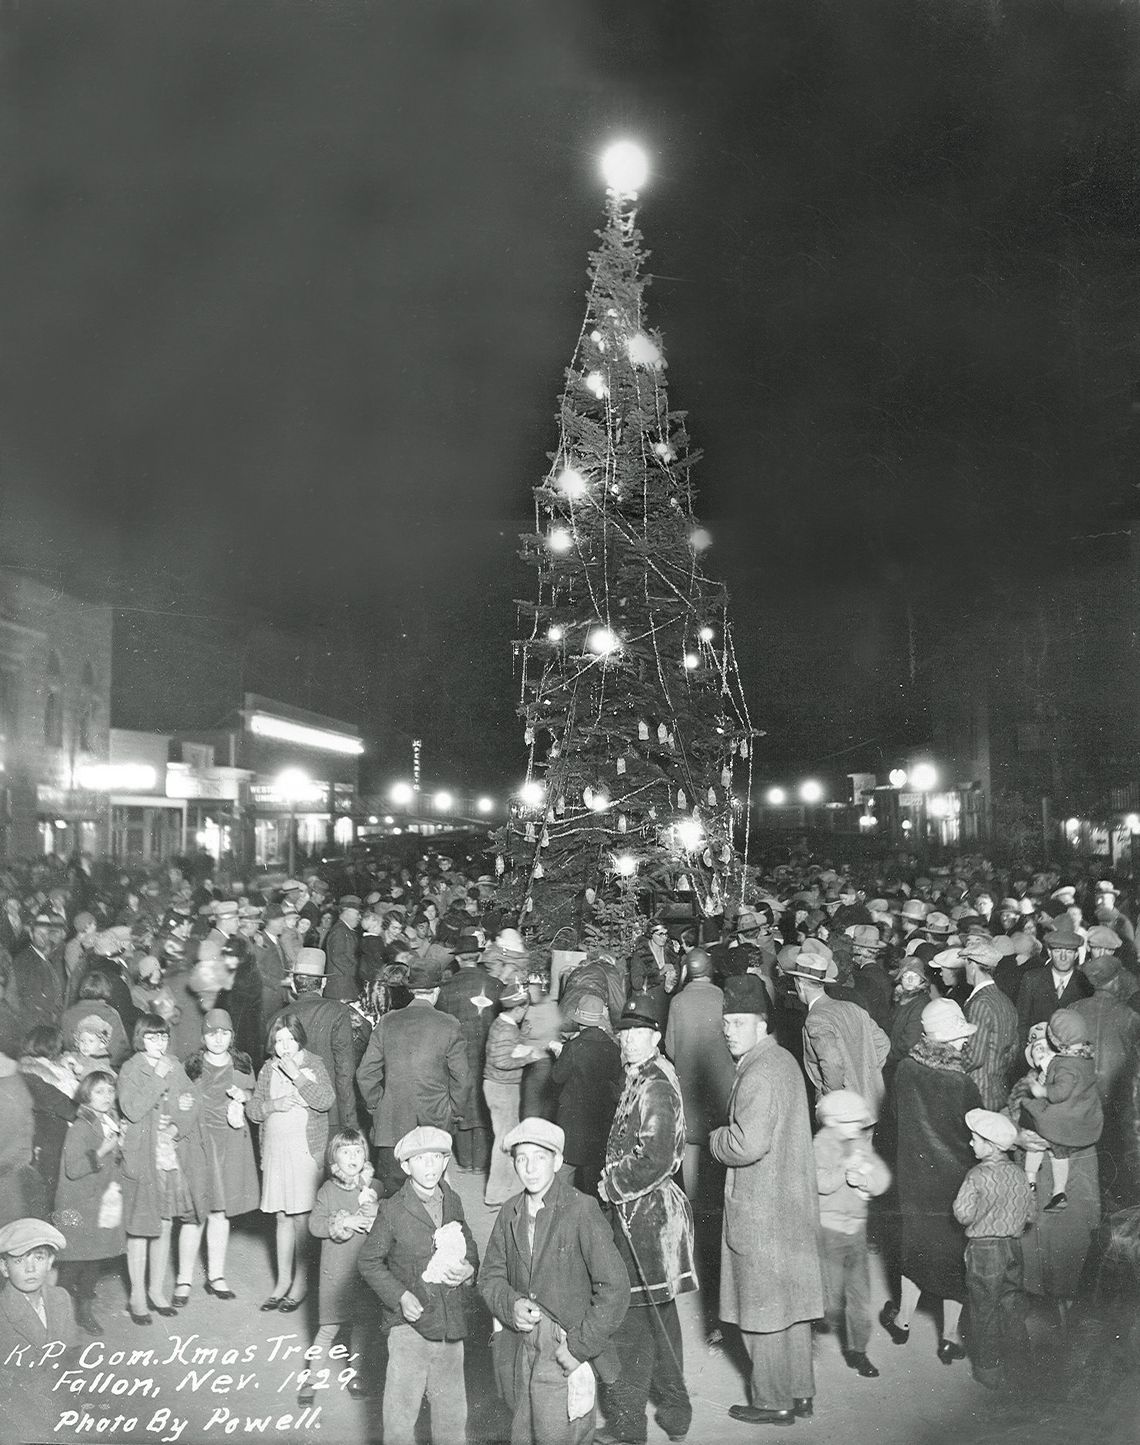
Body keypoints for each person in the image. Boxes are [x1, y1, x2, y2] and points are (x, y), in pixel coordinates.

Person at [710, 974, 824, 1426]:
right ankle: (800, 1392)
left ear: (762, 1024)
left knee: (762, 1310)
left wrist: (716, 1137)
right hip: (791, 1202)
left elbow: (746, 1144)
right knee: (793, 1305)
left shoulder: (757, 1073)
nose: (728, 1031)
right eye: (726, 1024)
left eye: (738, 1023)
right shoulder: (782, 1061)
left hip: (761, 1206)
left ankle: (772, 1400)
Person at [478, 1117, 630, 1445]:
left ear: (558, 1161)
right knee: (522, 1426)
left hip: (563, 1343)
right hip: (520, 1343)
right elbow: (489, 1276)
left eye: (540, 1157)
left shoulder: (581, 1210)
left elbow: (614, 1288)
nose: (530, 1167)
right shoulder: (509, 1212)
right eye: (521, 1158)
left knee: (558, 1430)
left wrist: (580, 1347)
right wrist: (510, 1304)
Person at [598, 996, 697, 1445]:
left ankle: (627, 1427)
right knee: (660, 1314)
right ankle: (676, 1409)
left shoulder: (654, 1083)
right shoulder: (645, 1074)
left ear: (656, 1037)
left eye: (638, 1032)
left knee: (631, 1322)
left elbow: (656, 1157)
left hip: (643, 1217)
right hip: (650, 1216)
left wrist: (610, 1185)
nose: (629, 1039)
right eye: (624, 1032)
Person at [358, 1125, 478, 1445]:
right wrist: (399, 1296)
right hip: (408, 1326)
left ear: (445, 1162)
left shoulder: (452, 1200)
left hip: (450, 1323)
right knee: (400, 1417)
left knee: (452, 1415)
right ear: (405, 1166)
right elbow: (368, 1261)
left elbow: (469, 1245)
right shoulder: (393, 1209)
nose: (430, 1166)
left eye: (436, 1158)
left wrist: (469, 1270)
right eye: (420, 1159)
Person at [881, 998, 982, 1363]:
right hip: (954, 1180)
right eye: (960, 1037)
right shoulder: (962, 1083)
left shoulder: (905, 1069)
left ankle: (903, 1321)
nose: (964, 1043)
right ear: (950, 1039)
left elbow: (893, 1115)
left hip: (912, 1175)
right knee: (955, 1257)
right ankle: (950, 1337)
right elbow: (974, 1135)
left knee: (914, 1246)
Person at [356, 948, 469, 1198]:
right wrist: (455, 1112)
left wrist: (377, 1106)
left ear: (409, 990)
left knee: (395, 1198)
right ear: (437, 991)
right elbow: (462, 1078)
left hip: (392, 1123)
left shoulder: (387, 1021)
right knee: (432, 1195)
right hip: (435, 1121)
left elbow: (366, 1073)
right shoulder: (449, 1024)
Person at [246, 1011, 335, 1313]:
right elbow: (253, 1110)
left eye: (290, 1039)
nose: (284, 1046)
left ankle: (300, 1283)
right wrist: (275, 1105)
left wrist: (297, 1075)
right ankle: (282, 1282)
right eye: (278, 1040)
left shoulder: (313, 1064)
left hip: (304, 1151)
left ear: (300, 1040)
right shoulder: (268, 1069)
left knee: (300, 1219)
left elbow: (325, 1101)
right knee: (282, 1216)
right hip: (274, 1150)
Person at [117, 1013, 199, 1323]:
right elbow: (132, 1109)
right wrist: (158, 1077)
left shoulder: (174, 1064)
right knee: (140, 1227)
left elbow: (191, 1099)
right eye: (152, 1037)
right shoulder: (131, 1068)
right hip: (141, 1156)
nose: (159, 1043)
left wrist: (176, 1128)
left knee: (164, 1222)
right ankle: (137, 1294)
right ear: (140, 1039)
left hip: (167, 1154)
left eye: (163, 1037)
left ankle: (156, 1289)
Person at [174, 1008, 258, 1305]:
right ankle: (183, 1279)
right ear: (203, 1036)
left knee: (220, 1212)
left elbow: (254, 1096)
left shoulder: (243, 1064)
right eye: (212, 1033)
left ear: (232, 1035)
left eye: (224, 1033)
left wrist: (245, 1098)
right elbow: (178, 1100)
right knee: (195, 1212)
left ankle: (216, 1276)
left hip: (231, 1142)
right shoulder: (192, 1066)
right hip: (199, 1142)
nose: (218, 1039)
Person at [951, 1108, 1035, 1391]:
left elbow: (962, 1213)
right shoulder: (1019, 1173)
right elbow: (1031, 1214)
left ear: (990, 1144)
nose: (971, 1144)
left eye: (975, 1139)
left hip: (984, 1250)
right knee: (1012, 1304)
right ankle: (1020, 1365)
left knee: (983, 1309)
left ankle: (988, 1369)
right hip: (1013, 1247)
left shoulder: (977, 1175)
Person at [813, 1089, 891, 1381]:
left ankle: (858, 1350)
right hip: (829, 1229)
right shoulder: (820, 1145)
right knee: (831, 1295)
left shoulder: (859, 1144)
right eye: (850, 1123)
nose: (857, 1129)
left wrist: (867, 1180)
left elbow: (881, 1178)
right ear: (830, 1122)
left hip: (856, 1230)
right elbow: (816, 1180)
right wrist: (842, 1173)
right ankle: (823, 1316)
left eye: (859, 1124)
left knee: (860, 1295)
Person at [304, 1128, 380, 1406]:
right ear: (334, 1157)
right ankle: (311, 1379)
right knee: (328, 1328)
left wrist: (374, 1213)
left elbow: (383, 1220)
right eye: (345, 1151)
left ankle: (356, 1374)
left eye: (358, 1151)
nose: (353, 1156)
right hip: (336, 1272)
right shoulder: (328, 1189)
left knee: (362, 1327)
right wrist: (343, 1221)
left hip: (363, 1272)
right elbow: (314, 1225)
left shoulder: (372, 1187)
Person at [51, 1070, 125, 1335]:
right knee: (74, 1262)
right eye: (99, 1091)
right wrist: (103, 1151)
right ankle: (55, 1311)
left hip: (97, 1201)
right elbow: (73, 1168)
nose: (106, 1096)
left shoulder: (108, 1120)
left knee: (92, 1260)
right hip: (77, 1206)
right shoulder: (82, 1126)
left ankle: (83, 1311)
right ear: (86, 1095)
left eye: (110, 1091)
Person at [663, 946, 736, 1202]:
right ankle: (720, 1198)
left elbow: (670, 1047)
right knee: (721, 1137)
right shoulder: (723, 996)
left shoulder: (678, 1001)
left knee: (691, 1141)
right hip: (721, 1080)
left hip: (688, 1081)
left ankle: (692, 1202)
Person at [785, 943, 890, 1115]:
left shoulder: (816, 1019)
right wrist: (864, 1073)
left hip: (841, 1114)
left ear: (800, 984)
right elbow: (883, 1043)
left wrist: (829, 1099)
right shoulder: (852, 1008)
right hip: (869, 1107)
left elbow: (832, 1064)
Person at [266, 948, 358, 1133]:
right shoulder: (337, 1011)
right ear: (323, 982)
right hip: (328, 1114)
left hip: (288, 1114)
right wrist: (349, 1121)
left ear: (293, 984)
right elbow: (345, 1070)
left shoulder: (275, 1017)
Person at [1022, 1008, 1103, 1212]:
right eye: (1036, 1048)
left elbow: (1059, 1092)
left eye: (1045, 1047)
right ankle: (1057, 1192)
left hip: (1060, 1124)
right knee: (1057, 1153)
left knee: (1036, 1136)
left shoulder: (1064, 1066)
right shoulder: (1084, 1059)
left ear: (1056, 1046)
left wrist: (1041, 1090)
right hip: (1080, 1122)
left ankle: (1030, 1179)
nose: (1041, 1052)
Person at [434, 929, 501, 1172]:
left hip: (458, 1054)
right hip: (487, 1053)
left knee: (461, 1101)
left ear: (459, 958)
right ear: (478, 956)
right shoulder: (495, 984)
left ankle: (464, 1161)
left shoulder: (446, 988)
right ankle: (481, 1163)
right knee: (482, 1103)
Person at [550, 993, 622, 1197]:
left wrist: (560, 1054)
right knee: (593, 1179)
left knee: (564, 1175)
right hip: (598, 1121)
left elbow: (557, 1077)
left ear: (579, 1021)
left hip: (572, 1121)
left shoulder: (573, 1047)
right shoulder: (612, 1047)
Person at [484, 982, 548, 1208]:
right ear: (519, 1009)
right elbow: (500, 1061)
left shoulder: (505, 1024)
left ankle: (506, 1186)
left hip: (501, 1087)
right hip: (501, 1089)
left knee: (506, 1136)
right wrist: (528, 1059)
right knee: (504, 1140)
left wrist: (523, 1037)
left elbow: (507, 1047)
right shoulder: (505, 1029)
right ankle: (495, 1194)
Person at [0, 1219, 76, 1357]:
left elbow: (72, 1349)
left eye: (39, 1258)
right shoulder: (3, 1311)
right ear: (4, 1267)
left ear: (49, 1262)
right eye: (19, 1260)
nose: (31, 1269)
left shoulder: (61, 1297)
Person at [962, 938, 1020, 1111]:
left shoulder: (980, 1003)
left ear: (972, 965)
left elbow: (973, 1057)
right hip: (999, 1090)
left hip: (978, 1093)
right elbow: (1012, 1051)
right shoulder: (1005, 1001)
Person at [1017, 923, 1092, 1045]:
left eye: (1068, 952)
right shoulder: (1032, 979)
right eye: (1057, 951)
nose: (1063, 957)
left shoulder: (1085, 983)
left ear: (1076, 954)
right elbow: (1022, 1022)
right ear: (1049, 953)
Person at [324, 895, 362, 1003]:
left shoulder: (346, 930)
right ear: (346, 911)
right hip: (341, 988)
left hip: (345, 985)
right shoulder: (340, 931)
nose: (360, 917)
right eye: (357, 913)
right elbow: (338, 957)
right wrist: (358, 972)